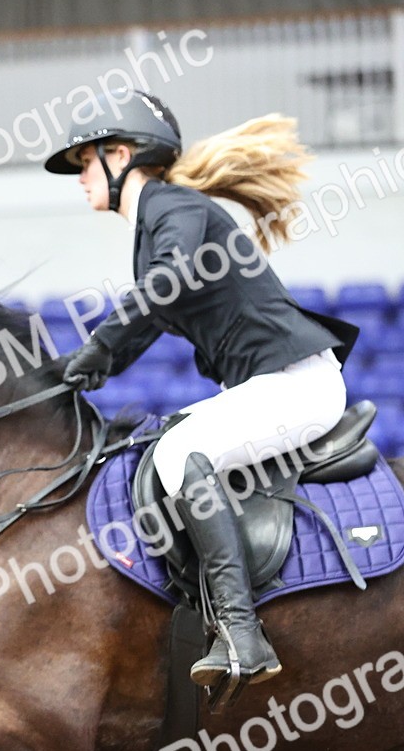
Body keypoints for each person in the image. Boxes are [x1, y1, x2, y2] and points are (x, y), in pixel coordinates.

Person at [45, 89, 359, 688]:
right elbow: (155, 313)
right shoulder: (159, 224)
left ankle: (243, 634)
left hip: (297, 385)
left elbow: (163, 288)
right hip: (274, 385)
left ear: (121, 155)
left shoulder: (174, 209)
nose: (80, 176)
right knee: (158, 445)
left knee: (179, 456)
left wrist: (101, 346)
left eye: (85, 161)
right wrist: (83, 370)